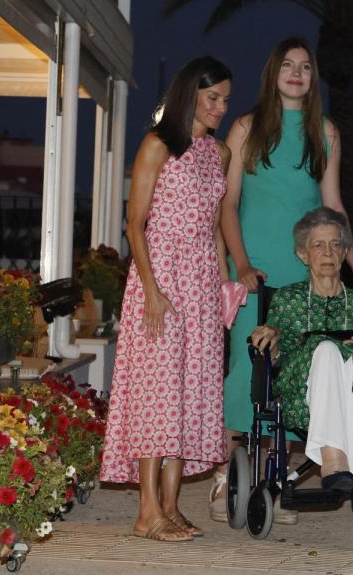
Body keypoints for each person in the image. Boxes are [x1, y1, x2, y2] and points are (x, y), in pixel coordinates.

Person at [213, 37, 353, 524]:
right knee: (244, 373)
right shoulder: (245, 127)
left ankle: (276, 483)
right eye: (287, 65)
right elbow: (228, 204)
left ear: (313, 78)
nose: (296, 73)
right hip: (253, 269)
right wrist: (241, 265)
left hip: (301, 270)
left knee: (291, 374)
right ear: (272, 72)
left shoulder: (324, 131)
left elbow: (333, 206)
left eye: (305, 67)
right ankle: (227, 479)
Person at [99, 56, 232, 542]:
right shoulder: (157, 145)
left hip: (200, 282)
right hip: (161, 275)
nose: (220, 107)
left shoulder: (219, 155)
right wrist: (153, 291)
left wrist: (224, 287)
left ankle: (171, 507)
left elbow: (216, 227)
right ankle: (146, 511)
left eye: (225, 99)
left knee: (192, 391)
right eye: (213, 97)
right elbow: (135, 223)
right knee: (158, 390)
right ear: (189, 95)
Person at [249, 207, 353, 509]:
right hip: (302, 400)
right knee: (325, 348)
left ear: (345, 252)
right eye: (317, 245)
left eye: (335, 244)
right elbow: (274, 360)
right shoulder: (288, 300)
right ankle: (333, 459)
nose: (327, 252)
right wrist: (270, 339)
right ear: (302, 254)